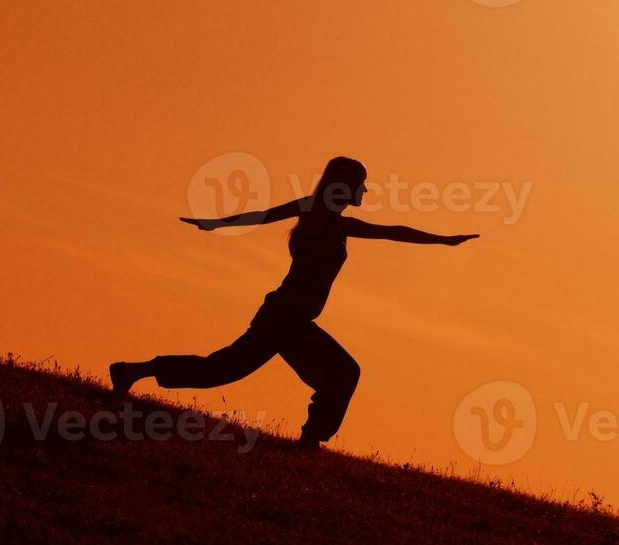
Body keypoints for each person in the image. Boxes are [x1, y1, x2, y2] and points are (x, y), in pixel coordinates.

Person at [109, 156, 479, 448]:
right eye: (360, 184)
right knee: (338, 373)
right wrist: (215, 223)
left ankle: (130, 371)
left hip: (291, 319)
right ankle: (309, 440)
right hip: (285, 316)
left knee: (220, 369)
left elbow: (392, 232)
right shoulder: (314, 211)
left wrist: (444, 241)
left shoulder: (340, 224)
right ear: (344, 185)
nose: (365, 190)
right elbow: (262, 215)